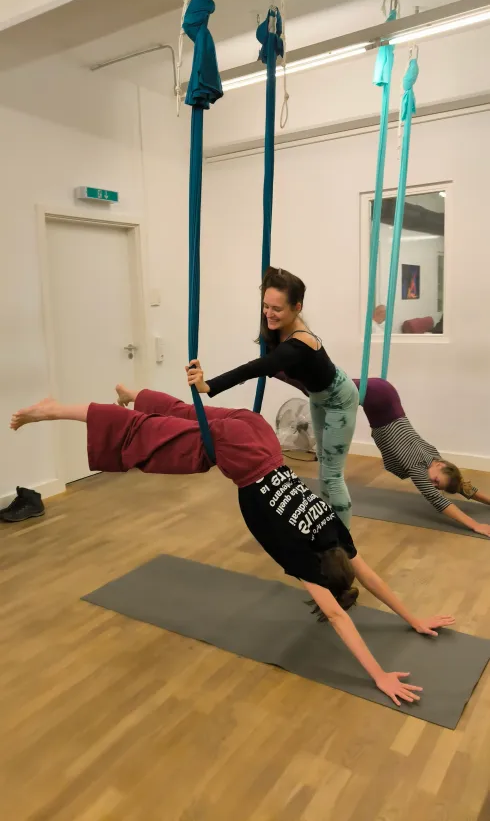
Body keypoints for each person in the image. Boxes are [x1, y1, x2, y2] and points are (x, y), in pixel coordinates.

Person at [10, 384, 455, 707]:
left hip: (258, 433)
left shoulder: (336, 535)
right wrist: (377, 675)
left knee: (184, 414)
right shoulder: (306, 560)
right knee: (150, 437)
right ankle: (54, 410)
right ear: (324, 578)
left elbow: (371, 577)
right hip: (243, 458)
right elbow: (338, 613)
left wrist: (414, 619)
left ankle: (132, 391)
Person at [187, 266, 359, 530]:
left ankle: (345, 546)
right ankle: (330, 528)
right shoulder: (281, 330)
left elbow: (254, 368)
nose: (268, 313)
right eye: (265, 306)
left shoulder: (298, 345)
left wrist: (208, 386)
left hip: (339, 399)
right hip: (318, 396)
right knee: (323, 465)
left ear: (297, 307)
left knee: (333, 475)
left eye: (276, 309)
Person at [278, 373, 490, 537]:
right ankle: (276, 368)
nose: (431, 484)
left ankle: (282, 367)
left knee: (321, 386)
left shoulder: (434, 456)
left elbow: (461, 485)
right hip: (377, 399)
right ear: (441, 466)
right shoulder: (418, 467)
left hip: (385, 393)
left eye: (436, 485)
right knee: (317, 390)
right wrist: (475, 525)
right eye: (435, 480)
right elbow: (439, 502)